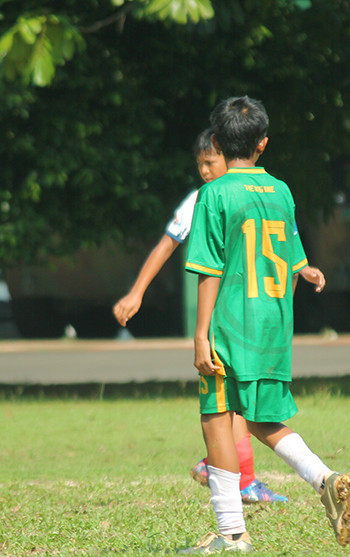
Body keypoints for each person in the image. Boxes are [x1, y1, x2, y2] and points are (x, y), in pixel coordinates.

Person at [180, 96, 350, 554]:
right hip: (275, 321)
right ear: (263, 143)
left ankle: (231, 533)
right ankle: (324, 477)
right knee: (260, 416)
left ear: (217, 142)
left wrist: (201, 335)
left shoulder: (214, 193)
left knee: (217, 418)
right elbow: (292, 252)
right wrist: (306, 270)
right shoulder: (280, 190)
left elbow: (209, 269)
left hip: (232, 322)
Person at [113, 130, 326, 503]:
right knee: (237, 409)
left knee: (229, 408)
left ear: (230, 155)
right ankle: (250, 479)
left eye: (210, 163)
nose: (205, 172)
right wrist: (136, 292)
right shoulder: (244, 192)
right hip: (249, 318)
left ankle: (233, 505)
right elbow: (171, 244)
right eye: (200, 166)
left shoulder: (226, 196)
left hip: (236, 316)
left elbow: (276, 246)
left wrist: (302, 267)